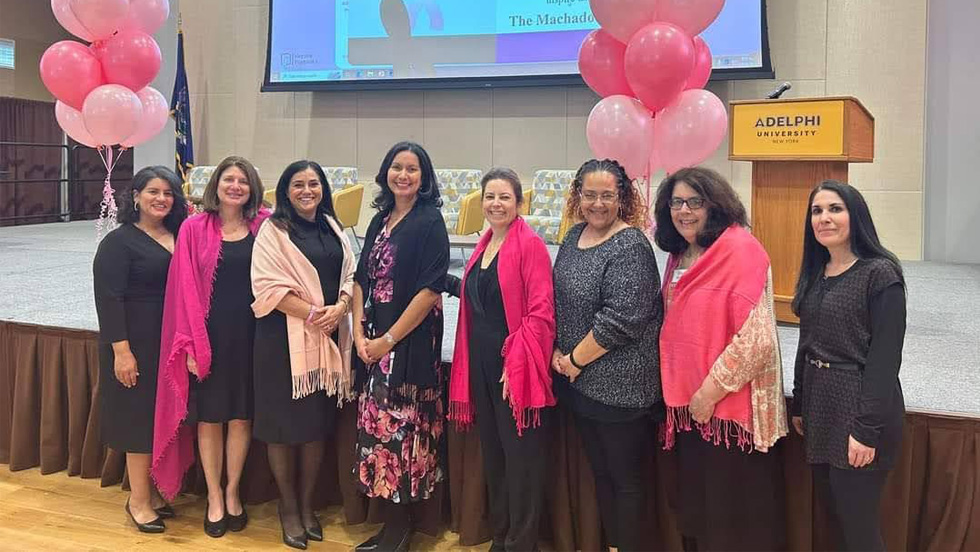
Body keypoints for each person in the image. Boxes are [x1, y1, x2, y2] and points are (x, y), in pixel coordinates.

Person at [654, 167, 788, 552]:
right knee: (698, 510)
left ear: (716, 205)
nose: (685, 211)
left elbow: (756, 340)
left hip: (728, 409)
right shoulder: (679, 255)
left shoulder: (741, 249)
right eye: (676, 202)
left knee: (730, 515)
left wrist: (708, 394)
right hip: (688, 407)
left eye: (695, 202)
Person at [152, 156, 269, 537]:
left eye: (243, 180)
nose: (235, 186)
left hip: (252, 337)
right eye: (228, 179)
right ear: (216, 185)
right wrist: (188, 344)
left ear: (252, 188)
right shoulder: (193, 228)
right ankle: (214, 497)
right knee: (210, 419)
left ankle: (234, 492)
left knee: (240, 417)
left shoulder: (265, 225)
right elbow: (183, 289)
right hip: (207, 338)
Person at [551, 158, 663, 552]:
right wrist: (556, 351)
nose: (597, 204)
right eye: (590, 194)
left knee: (626, 482)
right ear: (578, 196)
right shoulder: (573, 236)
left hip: (622, 389)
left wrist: (573, 360)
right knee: (601, 475)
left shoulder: (631, 245)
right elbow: (558, 300)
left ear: (623, 199)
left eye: (607, 196)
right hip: (580, 386)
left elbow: (621, 320)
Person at [444, 168, 556, 552]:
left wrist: (517, 365)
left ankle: (521, 542)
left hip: (514, 370)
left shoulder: (531, 246)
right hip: (480, 365)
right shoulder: (484, 244)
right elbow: (481, 299)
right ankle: (502, 534)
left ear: (519, 203)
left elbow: (540, 314)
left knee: (521, 459)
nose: (496, 204)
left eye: (505, 197)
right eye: (489, 197)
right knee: (495, 455)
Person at [791, 180, 906, 552]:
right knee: (835, 513)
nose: (824, 218)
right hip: (821, 405)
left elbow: (885, 360)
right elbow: (806, 343)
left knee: (858, 524)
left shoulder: (880, 274)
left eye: (835, 209)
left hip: (859, 407)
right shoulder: (816, 273)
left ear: (855, 216)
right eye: (817, 211)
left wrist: (866, 429)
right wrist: (799, 401)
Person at [250, 160, 356, 550]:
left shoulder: (333, 226)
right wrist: (315, 314)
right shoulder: (272, 231)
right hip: (282, 343)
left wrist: (342, 305)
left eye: (314, 183)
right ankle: (288, 507)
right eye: (298, 184)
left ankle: (309, 505)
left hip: (326, 342)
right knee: (282, 430)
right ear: (285, 190)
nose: (307, 190)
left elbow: (350, 273)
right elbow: (265, 288)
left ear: (323, 188)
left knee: (314, 428)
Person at [351, 141, 449, 552]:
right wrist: (360, 335)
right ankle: (391, 523)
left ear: (423, 178)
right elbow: (360, 280)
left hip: (408, 345)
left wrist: (388, 340)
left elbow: (430, 290)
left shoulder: (430, 222)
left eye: (412, 169)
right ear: (385, 173)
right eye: (396, 167)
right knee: (378, 434)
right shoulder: (380, 219)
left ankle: (400, 528)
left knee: (405, 434)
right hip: (373, 343)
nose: (403, 175)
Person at [93, 166, 188, 533]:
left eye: (168, 192)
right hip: (134, 344)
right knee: (138, 421)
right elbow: (109, 298)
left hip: (169, 343)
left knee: (163, 417)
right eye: (152, 191)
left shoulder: (179, 233)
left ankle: (155, 490)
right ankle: (139, 500)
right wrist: (122, 351)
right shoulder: (119, 242)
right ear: (135, 196)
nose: (161, 198)